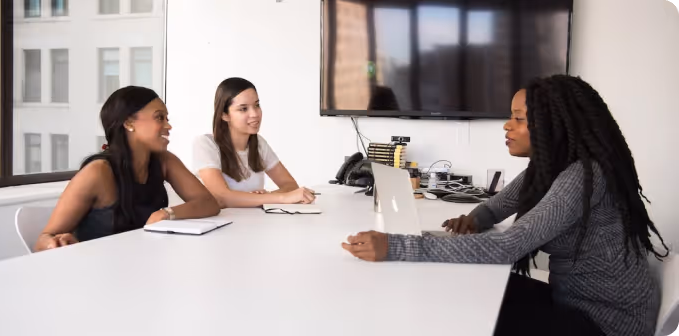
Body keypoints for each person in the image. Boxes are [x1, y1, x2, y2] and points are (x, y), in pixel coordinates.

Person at [341, 75, 669, 336]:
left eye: (518, 118)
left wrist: (396, 246)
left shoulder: (583, 175)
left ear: (553, 125)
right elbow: (497, 206)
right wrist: (474, 218)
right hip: (573, 302)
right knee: (466, 289)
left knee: (467, 310)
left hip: (603, 324)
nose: (506, 125)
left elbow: (508, 246)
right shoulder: (547, 169)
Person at [35, 86, 220, 251]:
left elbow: (208, 203)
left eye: (167, 118)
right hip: (99, 272)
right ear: (129, 123)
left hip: (141, 265)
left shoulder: (164, 161)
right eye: (159, 117)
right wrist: (55, 243)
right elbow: (42, 241)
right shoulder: (97, 172)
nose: (168, 125)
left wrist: (166, 213)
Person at [194, 77, 314, 208]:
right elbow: (222, 196)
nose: (255, 114)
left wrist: (263, 198)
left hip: (254, 224)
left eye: (257, 105)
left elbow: (290, 185)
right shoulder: (206, 144)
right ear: (224, 115)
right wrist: (276, 198)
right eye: (243, 109)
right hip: (222, 225)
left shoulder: (259, 144)